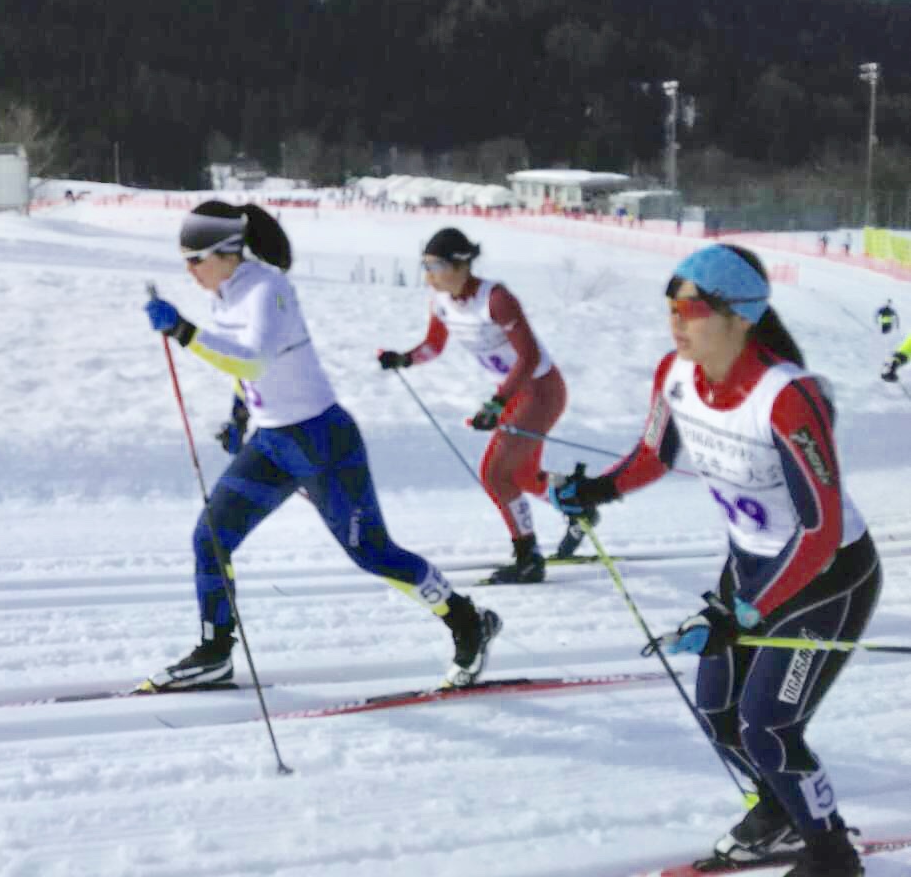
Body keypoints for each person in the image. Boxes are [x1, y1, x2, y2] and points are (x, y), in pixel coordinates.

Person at [548, 244, 879, 876]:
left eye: (692, 308)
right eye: (671, 306)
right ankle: (779, 812)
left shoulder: (786, 396)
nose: (677, 321)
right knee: (718, 711)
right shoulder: (673, 375)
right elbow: (652, 456)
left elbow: (820, 527)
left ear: (740, 316)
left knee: (768, 727)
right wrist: (594, 490)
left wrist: (744, 614)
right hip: (750, 570)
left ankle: (833, 857)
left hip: (826, 577)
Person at [142, 202, 501, 691]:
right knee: (210, 536)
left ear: (228, 252)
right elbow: (243, 370)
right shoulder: (226, 293)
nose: (189, 270)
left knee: (373, 553)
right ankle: (215, 652)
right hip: (273, 442)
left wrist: (184, 332)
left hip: (321, 440)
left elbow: (252, 361)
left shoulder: (268, 288)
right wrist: (239, 414)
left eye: (195, 259)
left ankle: (467, 622)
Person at [378, 227, 570, 583]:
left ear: (460, 265)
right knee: (522, 474)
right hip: (514, 395)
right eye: (425, 265)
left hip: (541, 392)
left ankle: (528, 557)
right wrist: (403, 359)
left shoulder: (496, 299)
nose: (428, 275)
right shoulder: (440, 301)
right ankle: (575, 503)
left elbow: (527, 359)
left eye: (435, 265)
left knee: (496, 473)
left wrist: (498, 403)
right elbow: (434, 346)